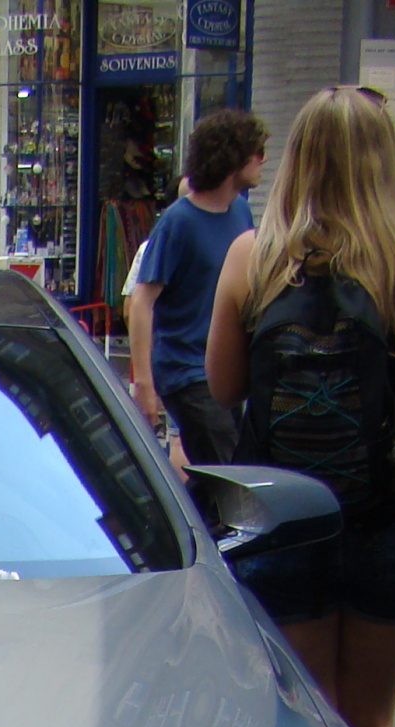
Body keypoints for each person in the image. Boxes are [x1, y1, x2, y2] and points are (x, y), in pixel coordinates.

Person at [204, 85, 395, 727]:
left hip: (282, 521)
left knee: (300, 722)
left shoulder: (252, 256)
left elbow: (224, 385)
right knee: (369, 720)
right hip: (388, 522)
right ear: (382, 164)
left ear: (296, 159)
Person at [126, 107, 265, 466]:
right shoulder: (179, 221)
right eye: (256, 152)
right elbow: (142, 301)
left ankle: (194, 520)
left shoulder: (241, 213)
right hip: (187, 371)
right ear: (233, 157)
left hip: (227, 367)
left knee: (227, 473)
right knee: (230, 474)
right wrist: (144, 383)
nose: (263, 160)